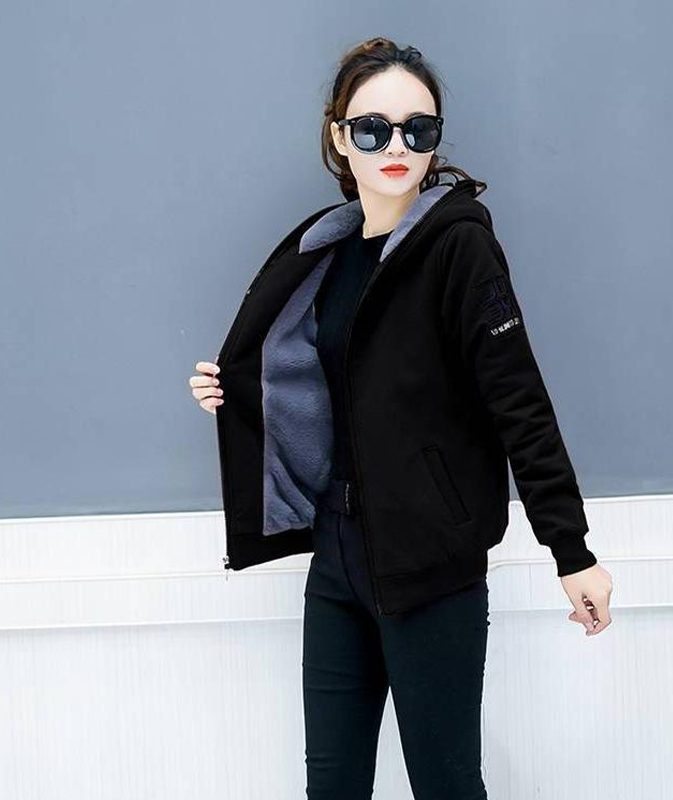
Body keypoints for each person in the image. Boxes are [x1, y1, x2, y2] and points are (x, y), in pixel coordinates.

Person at [189, 36, 613, 800]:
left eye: (418, 129)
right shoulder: (326, 254)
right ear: (338, 137)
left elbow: (520, 402)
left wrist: (571, 551)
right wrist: (235, 390)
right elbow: (319, 386)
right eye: (372, 128)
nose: (396, 147)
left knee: (447, 787)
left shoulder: (460, 249)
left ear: (435, 139)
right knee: (332, 789)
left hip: (432, 567)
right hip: (337, 561)